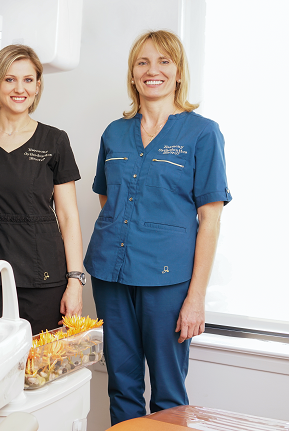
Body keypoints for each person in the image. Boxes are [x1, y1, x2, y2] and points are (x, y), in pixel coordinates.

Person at [84, 30, 231, 425]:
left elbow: (210, 219)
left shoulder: (203, 133)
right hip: (111, 275)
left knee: (168, 392)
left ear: (179, 72)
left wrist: (195, 297)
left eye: (164, 61)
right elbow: (108, 198)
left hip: (167, 281)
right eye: (143, 62)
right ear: (133, 74)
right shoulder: (114, 132)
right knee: (121, 384)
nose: (153, 70)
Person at [0, 44, 85, 335]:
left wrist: (75, 281)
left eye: (28, 80)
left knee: (42, 359)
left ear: (37, 86)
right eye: (10, 79)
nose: (19, 88)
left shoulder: (55, 141)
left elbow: (68, 216)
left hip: (44, 276)